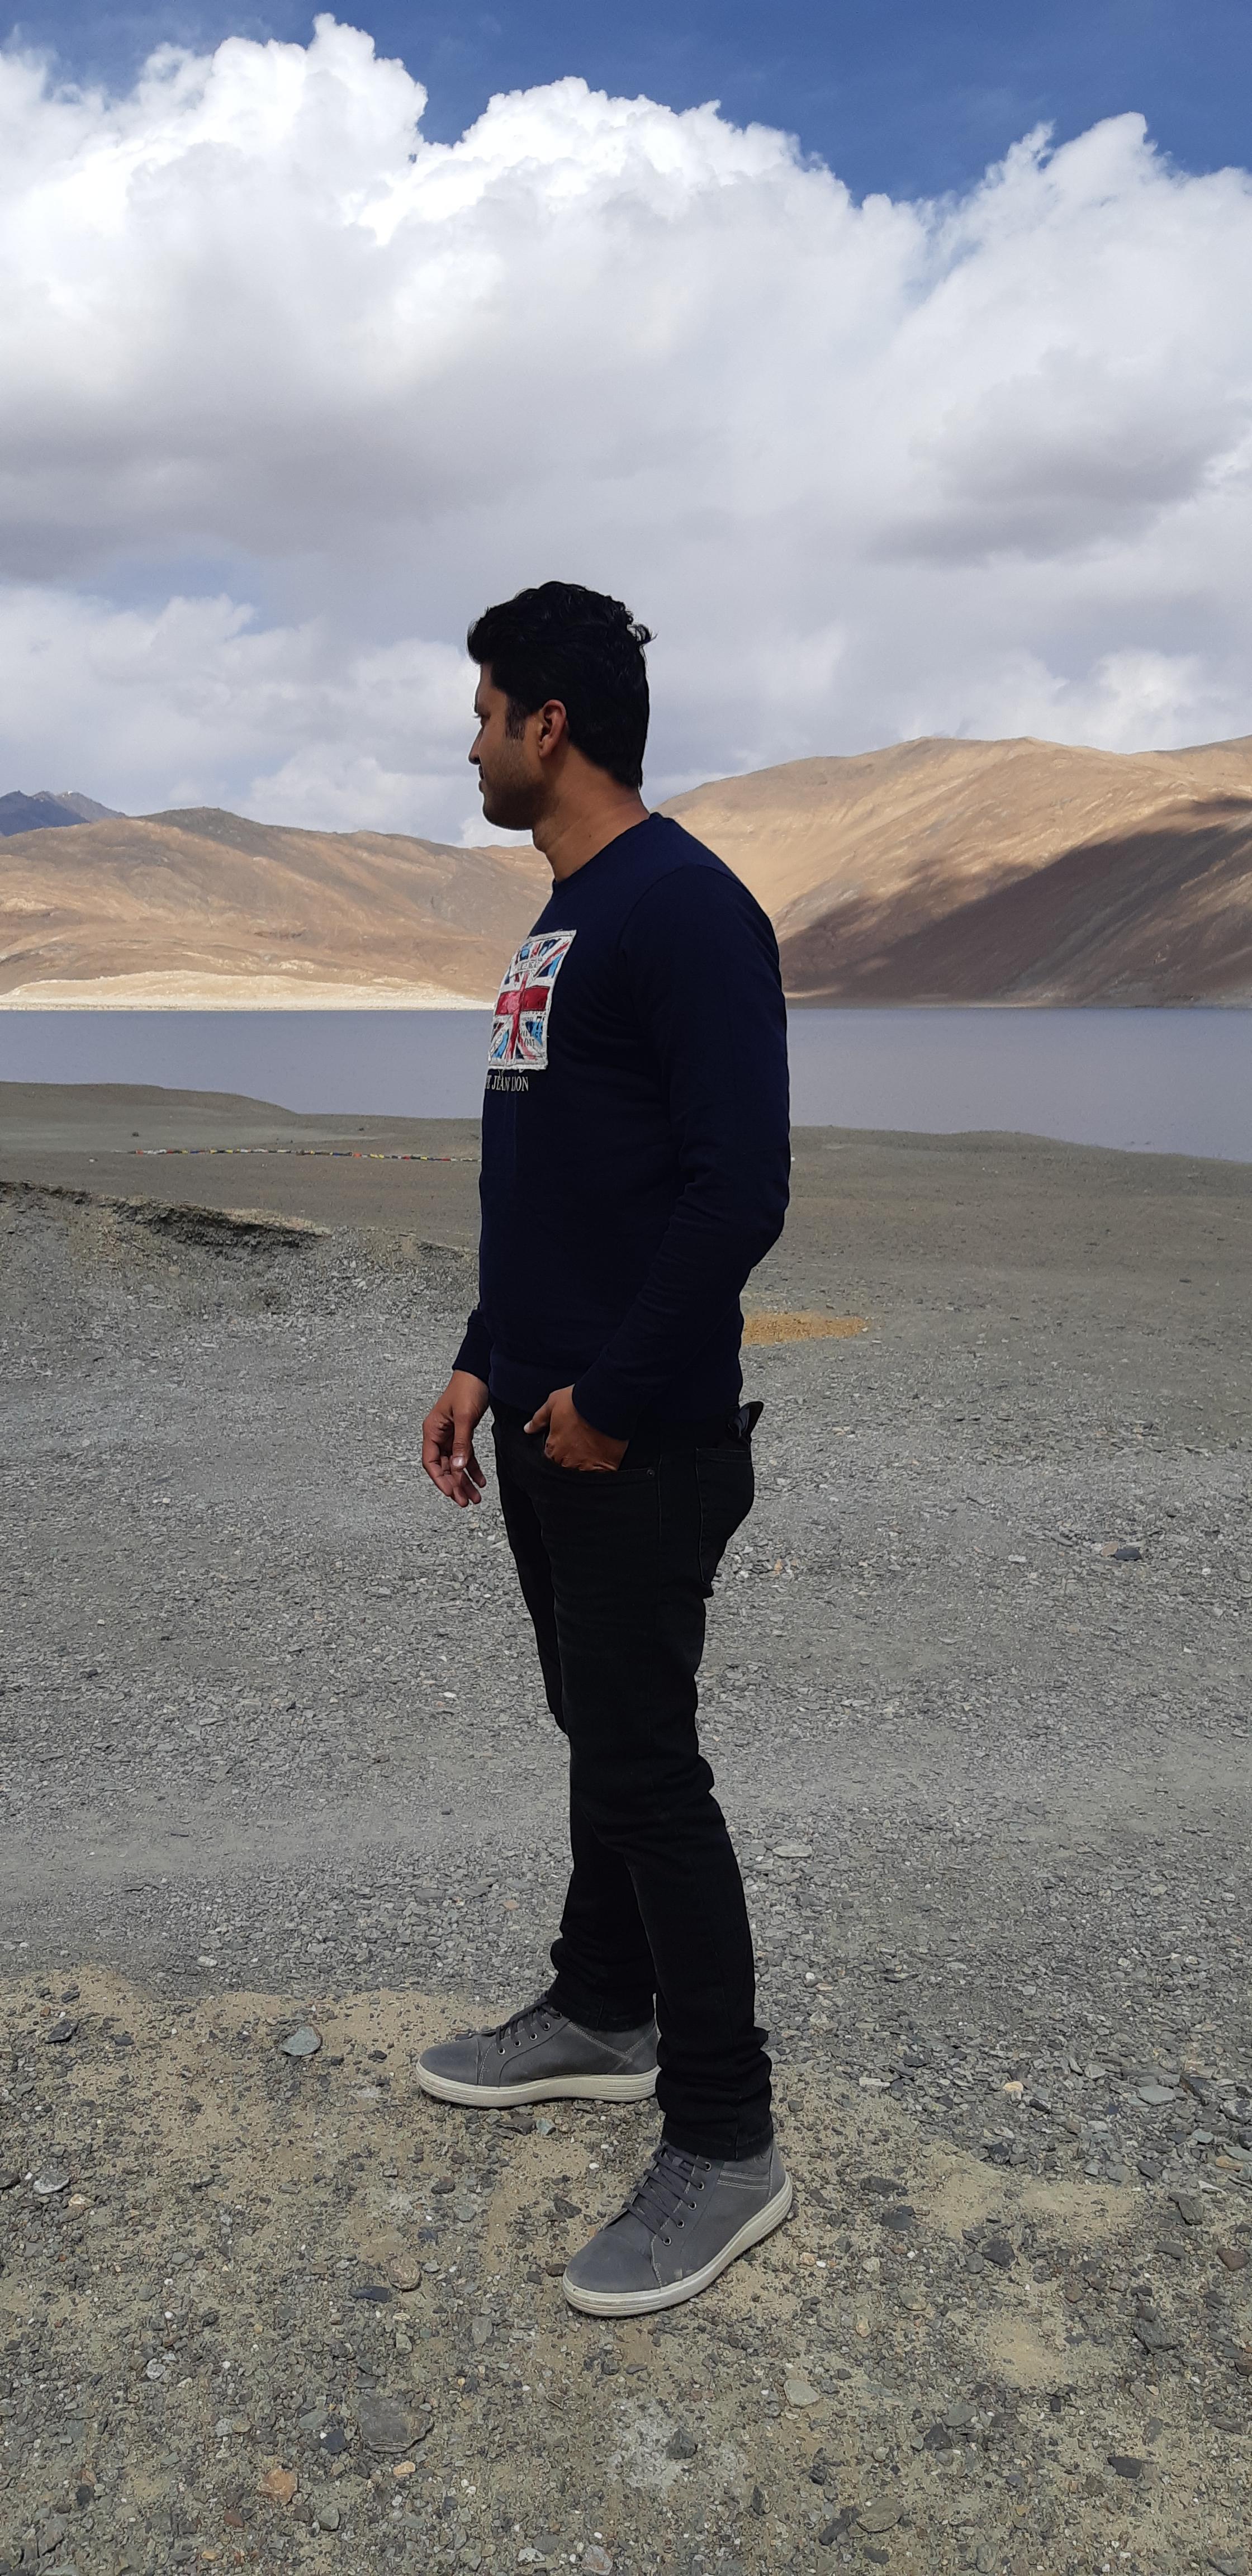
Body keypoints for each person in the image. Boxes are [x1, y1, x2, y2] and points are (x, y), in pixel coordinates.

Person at [419, 580, 791, 2316]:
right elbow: (558, 1189)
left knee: (647, 1766)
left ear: (547, 726)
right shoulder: (566, 916)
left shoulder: (685, 911)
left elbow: (738, 1191)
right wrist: (484, 1361)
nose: (472, 746)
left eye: (485, 714)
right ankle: (601, 2006)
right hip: (550, 1421)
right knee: (601, 1733)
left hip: (633, 1442)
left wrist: (617, 1397)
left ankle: (724, 2136)